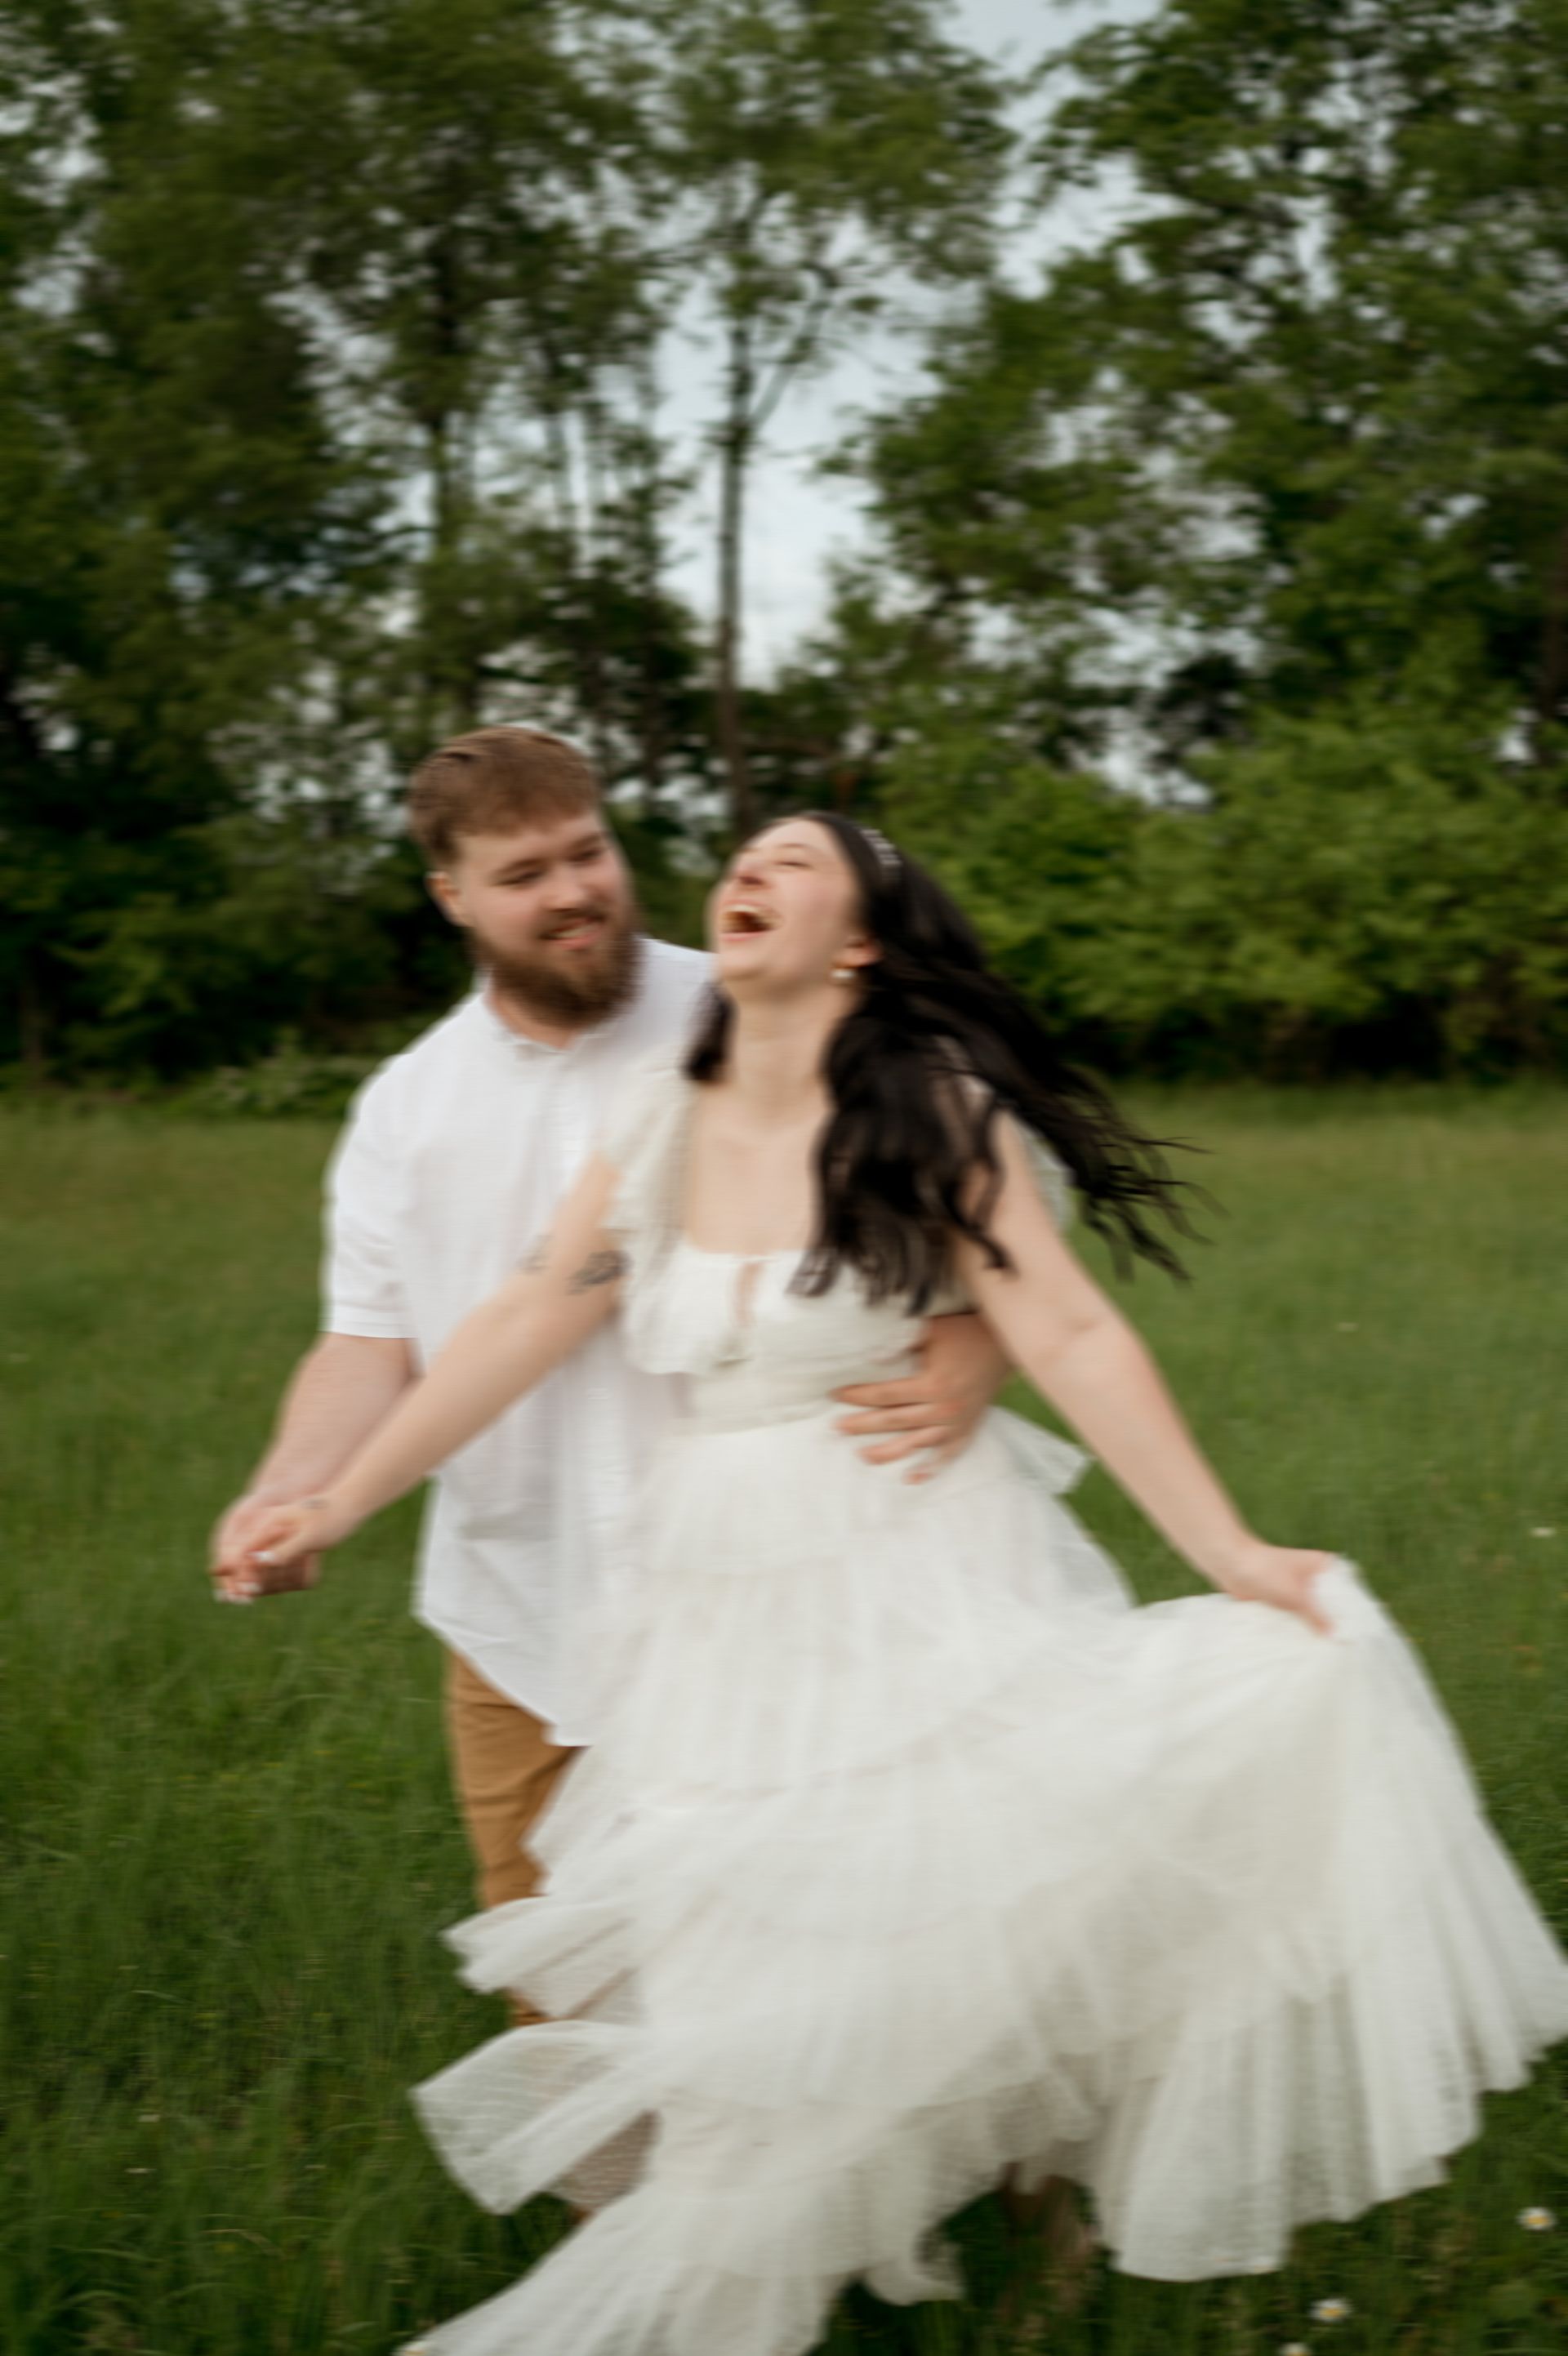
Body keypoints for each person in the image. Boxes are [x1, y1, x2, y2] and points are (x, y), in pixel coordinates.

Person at [237, 812, 1568, 2356]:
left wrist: (1232, 1553)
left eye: (795, 864)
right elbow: (530, 1313)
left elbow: (1067, 1329)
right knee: (751, 1972)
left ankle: (994, 2230)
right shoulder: (669, 1106)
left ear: (860, 939)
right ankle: (788, 2256)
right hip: (712, 1609)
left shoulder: (935, 1109)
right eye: (741, 858)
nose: (748, 873)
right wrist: (337, 1494)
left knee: (960, 1924)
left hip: (913, 1566)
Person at [208, 735, 1010, 1948]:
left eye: (589, 850)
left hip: (773, 1590)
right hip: (521, 1609)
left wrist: (976, 1342)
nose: (575, 889)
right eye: (526, 873)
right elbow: (371, 1345)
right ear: (454, 896)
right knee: (562, 1975)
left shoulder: (759, 1001)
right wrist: (295, 1490)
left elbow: (980, 1190)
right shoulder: (406, 1108)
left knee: (843, 1961)